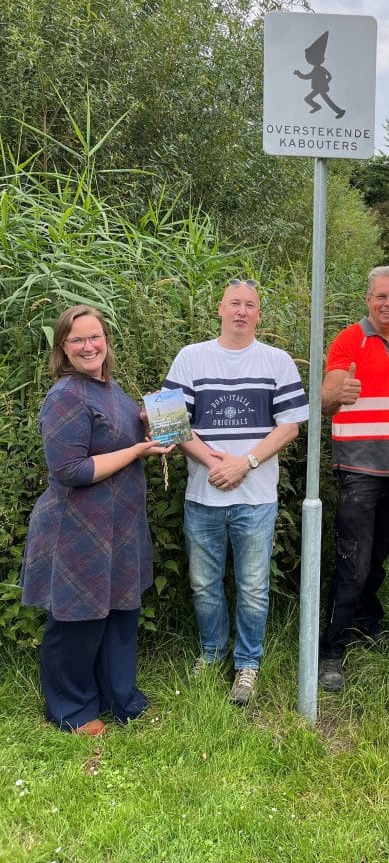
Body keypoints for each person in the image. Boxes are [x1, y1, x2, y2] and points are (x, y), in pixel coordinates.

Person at [21, 305, 172, 735]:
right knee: (78, 622)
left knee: (121, 615)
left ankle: (122, 699)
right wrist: (138, 451)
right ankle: (71, 708)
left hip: (120, 525)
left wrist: (145, 424)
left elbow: (117, 436)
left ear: (106, 340)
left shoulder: (110, 389)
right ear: (63, 350)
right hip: (78, 528)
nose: (89, 346)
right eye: (77, 340)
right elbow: (71, 470)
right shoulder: (66, 395)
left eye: (95, 337)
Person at [163, 279, 308, 705]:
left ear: (259, 314)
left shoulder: (277, 362)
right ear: (220, 309)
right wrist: (214, 462)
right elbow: (171, 422)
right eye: (234, 304)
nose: (242, 311)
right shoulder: (192, 358)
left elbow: (290, 426)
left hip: (257, 496)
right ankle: (211, 654)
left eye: (250, 305)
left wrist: (245, 463)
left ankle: (248, 664)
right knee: (204, 583)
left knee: (253, 585)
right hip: (202, 494)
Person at [318, 266, 389, 692]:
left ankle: (365, 620)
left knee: (378, 555)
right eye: (381, 296)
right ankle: (330, 652)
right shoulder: (349, 339)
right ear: (368, 299)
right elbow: (325, 400)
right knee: (353, 563)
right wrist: (335, 394)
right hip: (358, 470)